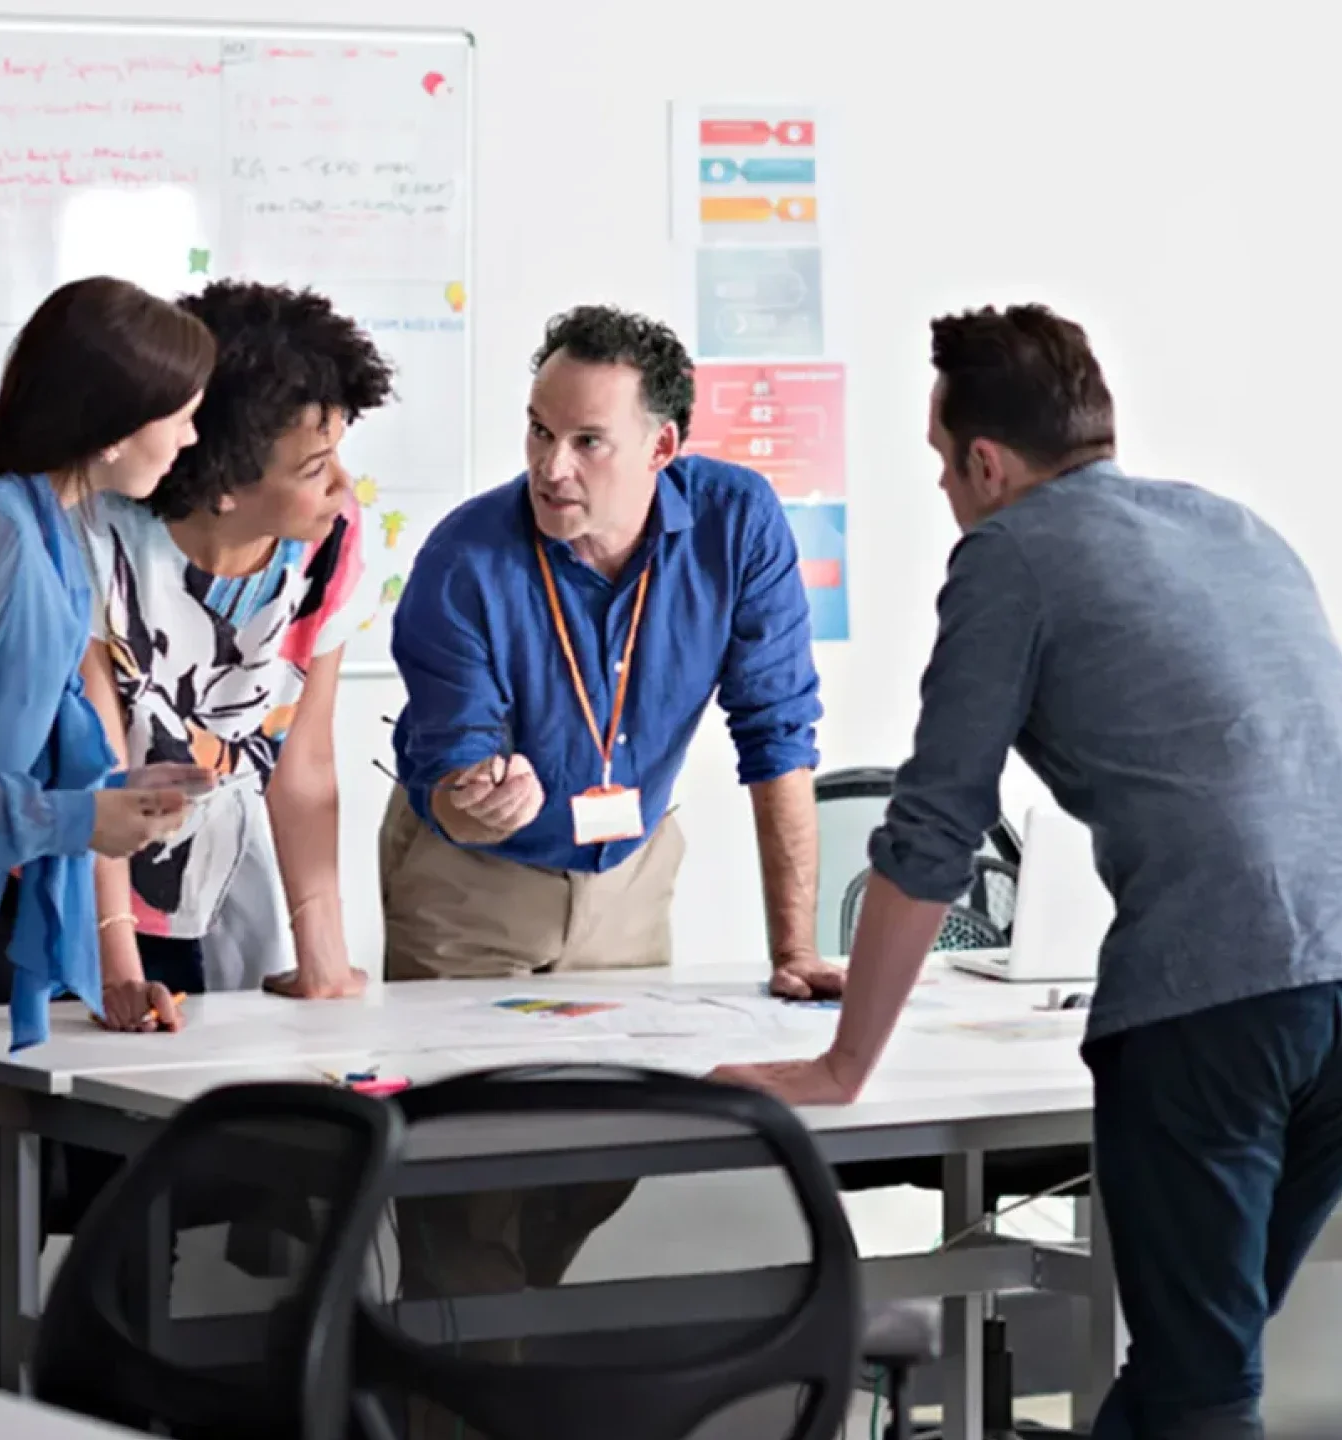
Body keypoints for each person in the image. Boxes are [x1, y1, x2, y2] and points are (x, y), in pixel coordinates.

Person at [715, 303, 1342, 1440]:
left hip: (1216, 1008)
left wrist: (844, 1064)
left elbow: (933, 828)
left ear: (987, 463)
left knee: (1203, 1389)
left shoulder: (1010, 553)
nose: (946, 494)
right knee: (1192, 1359)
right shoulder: (1233, 525)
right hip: (1334, 992)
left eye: (942, 468)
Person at [380, 304, 838, 1435]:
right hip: (471, 888)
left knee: (601, 1154)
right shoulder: (465, 556)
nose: (551, 466)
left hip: (632, 876)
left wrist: (794, 949)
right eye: (539, 433)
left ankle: (512, 1375)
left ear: (664, 448)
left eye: (587, 441)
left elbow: (779, 731)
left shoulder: (738, 521)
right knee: (467, 1191)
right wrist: (477, 802)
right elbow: (447, 767)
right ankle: (482, 1410)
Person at [0, 274, 216, 1377]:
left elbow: (30, 718)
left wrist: (132, 784)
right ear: (112, 415)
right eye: (179, 411)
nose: (189, 435)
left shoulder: (49, 523)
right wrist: (71, 816)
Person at [75, 278, 394, 1021]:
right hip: (76, 887)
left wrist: (321, 952)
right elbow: (90, 768)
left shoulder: (332, 546)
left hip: (213, 882)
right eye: (315, 469)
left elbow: (303, 762)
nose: (342, 488)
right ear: (222, 484)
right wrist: (116, 968)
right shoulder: (93, 539)